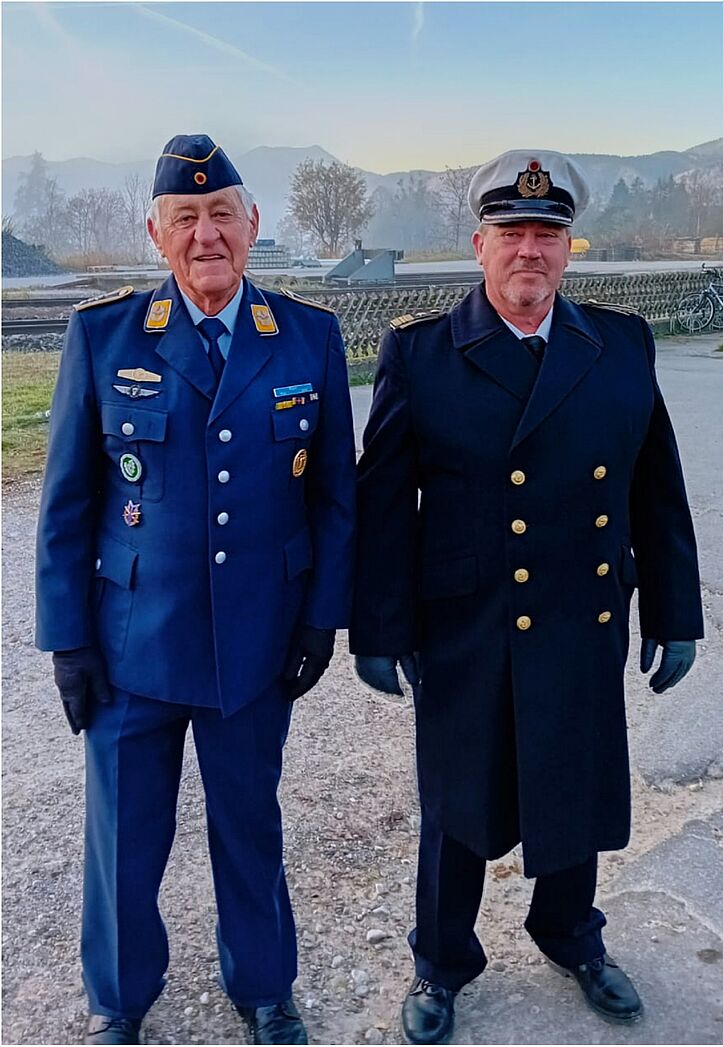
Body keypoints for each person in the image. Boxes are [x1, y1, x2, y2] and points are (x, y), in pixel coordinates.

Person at [348, 149, 702, 1045]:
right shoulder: (422, 352)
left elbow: (654, 487)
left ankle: (570, 932)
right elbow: (385, 504)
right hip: (466, 620)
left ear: (569, 247)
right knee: (457, 800)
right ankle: (441, 959)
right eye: (513, 233)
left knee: (571, 777)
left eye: (546, 233)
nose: (530, 251)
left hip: (582, 617)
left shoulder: (618, 345)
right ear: (480, 245)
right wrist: (377, 629)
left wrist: (674, 612)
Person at [35, 134, 356, 1046]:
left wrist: (322, 616)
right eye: (186, 219)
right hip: (132, 642)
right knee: (127, 842)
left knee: (250, 829)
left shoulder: (307, 336)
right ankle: (120, 1000)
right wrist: (68, 641)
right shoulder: (104, 336)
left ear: (253, 226)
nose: (206, 234)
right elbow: (65, 504)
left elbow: (336, 494)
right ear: (155, 232)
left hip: (257, 643)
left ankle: (264, 988)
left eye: (222, 216)